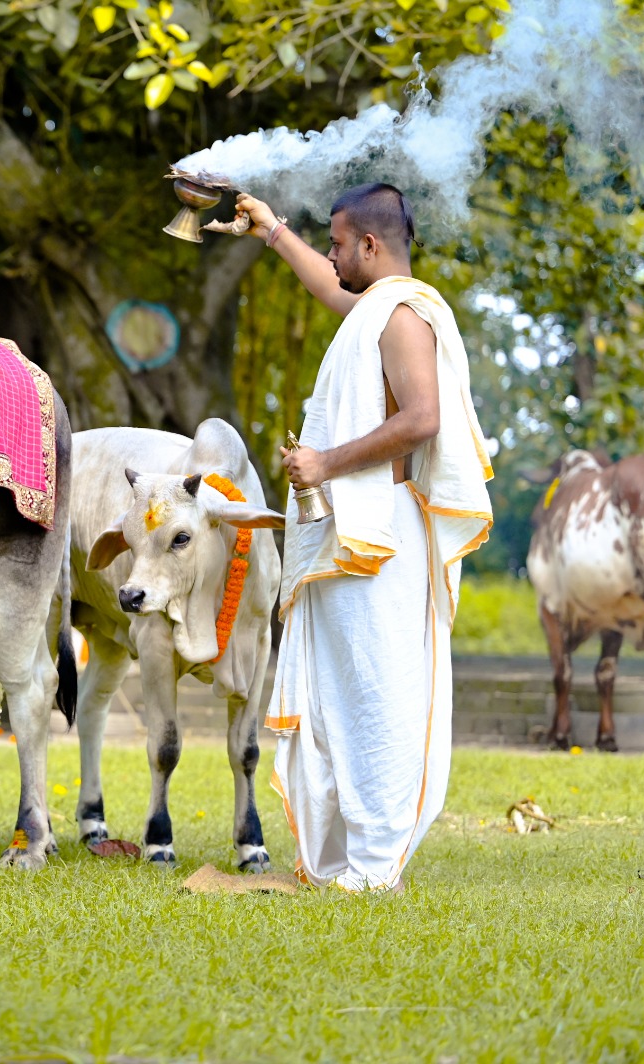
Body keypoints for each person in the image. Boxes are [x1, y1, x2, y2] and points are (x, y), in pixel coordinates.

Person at [217, 183, 494, 892]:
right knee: (342, 691)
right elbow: (329, 290)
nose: (333, 256)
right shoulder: (376, 310)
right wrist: (271, 230)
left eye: (339, 243)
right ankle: (343, 860)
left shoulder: (403, 317)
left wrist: (325, 463)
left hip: (384, 533)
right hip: (354, 533)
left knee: (378, 692)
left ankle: (373, 867)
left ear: (371, 245)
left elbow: (423, 418)